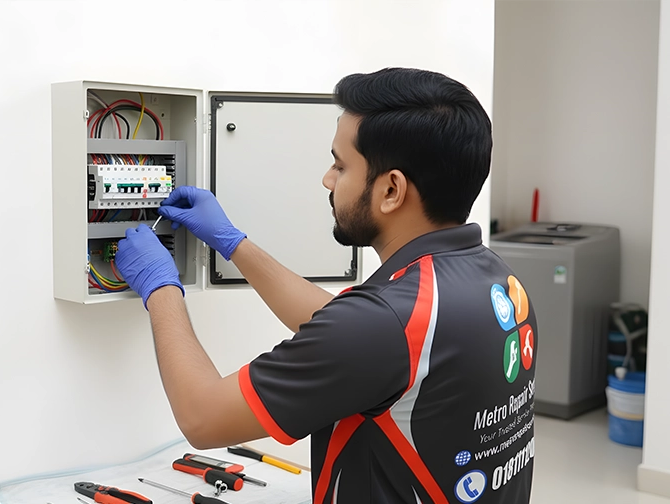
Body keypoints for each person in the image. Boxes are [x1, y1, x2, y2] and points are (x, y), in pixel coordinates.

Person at [114, 68, 537, 504]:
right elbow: (345, 328)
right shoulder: (497, 282)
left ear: (391, 190)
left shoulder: (381, 324)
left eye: (340, 165)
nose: (328, 179)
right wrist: (233, 243)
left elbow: (202, 418)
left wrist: (160, 287)